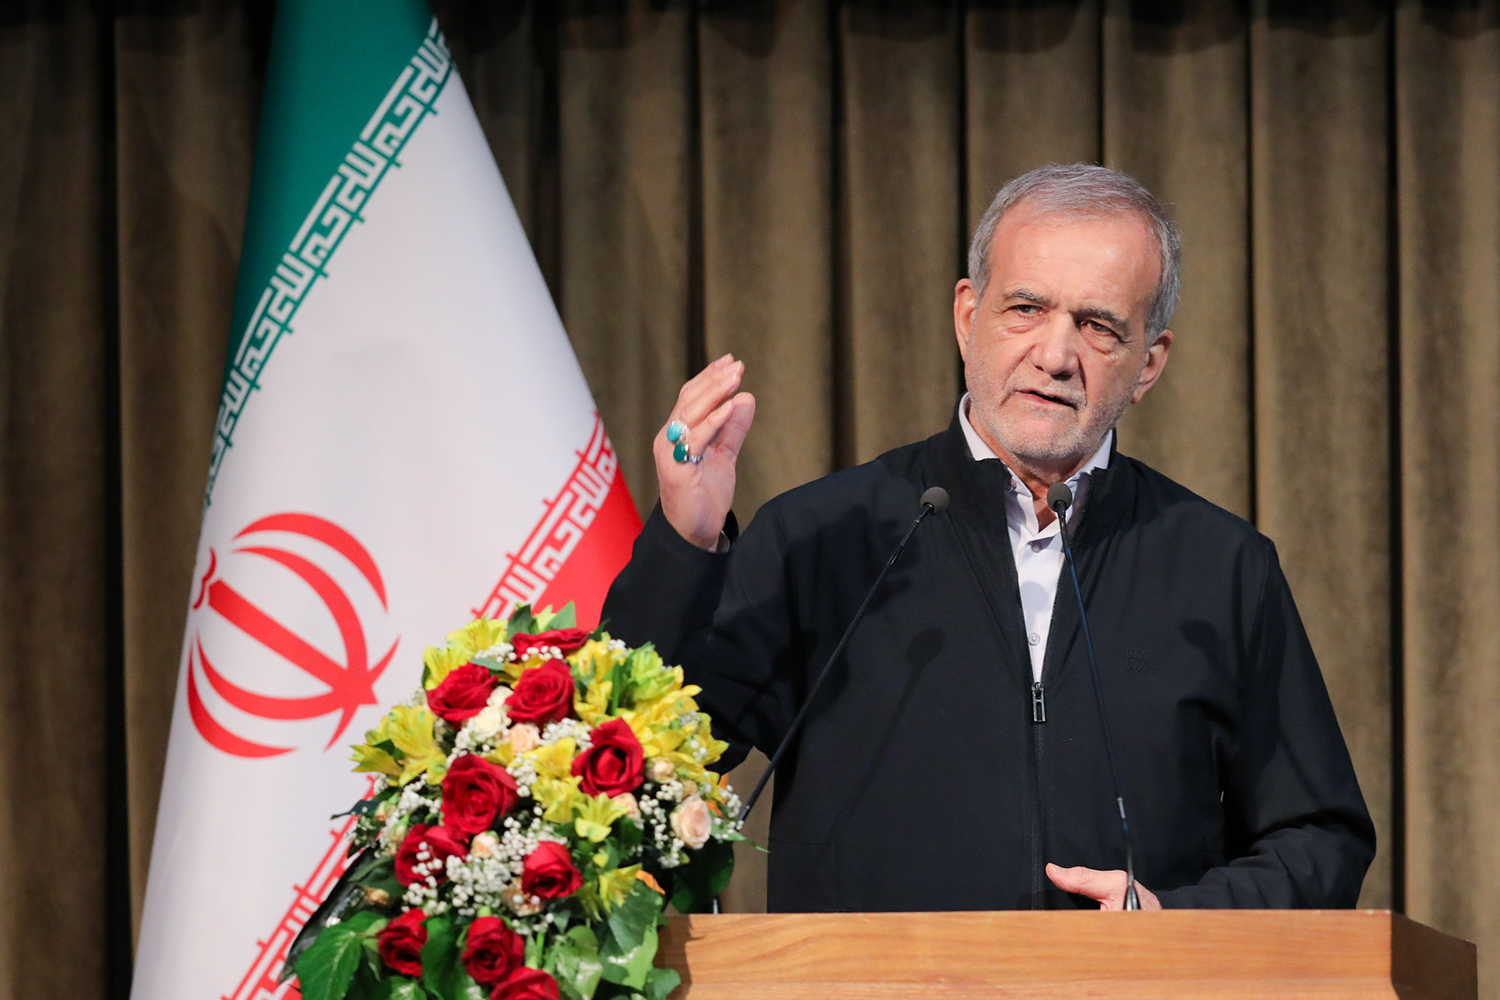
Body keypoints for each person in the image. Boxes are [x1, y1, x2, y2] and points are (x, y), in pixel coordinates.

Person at [603, 163, 1375, 911]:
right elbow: (631, 763)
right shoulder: (819, 536)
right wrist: (684, 544)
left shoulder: (1221, 567)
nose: (1055, 356)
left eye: (1098, 326)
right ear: (968, 317)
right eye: (1026, 308)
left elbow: (1319, 838)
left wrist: (1175, 921)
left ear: (1148, 363)